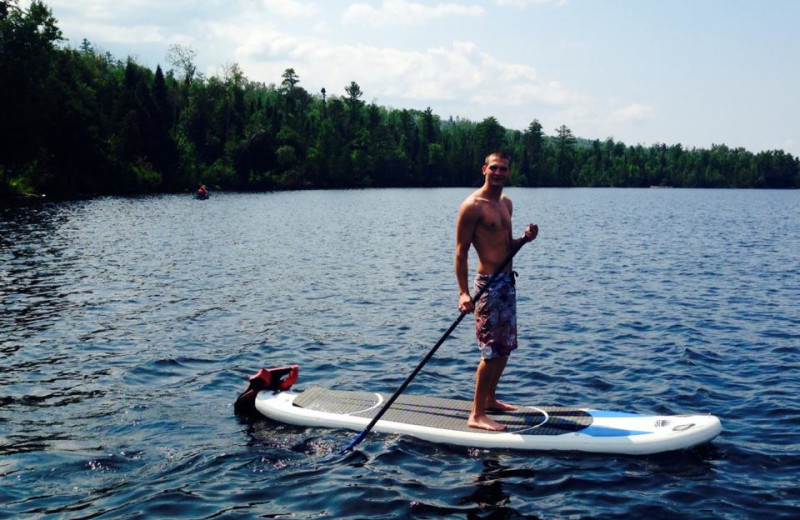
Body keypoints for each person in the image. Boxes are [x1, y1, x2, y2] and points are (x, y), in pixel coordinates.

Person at [455, 151, 538, 431]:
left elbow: (505, 248)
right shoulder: (472, 206)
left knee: (505, 348)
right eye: (494, 168)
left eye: (504, 169)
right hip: (487, 286)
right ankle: (476, 414)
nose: (499, 172)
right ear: (484, 170)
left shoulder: (505, 203)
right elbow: (460, 252)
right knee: (490, 352)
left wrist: (524, 239)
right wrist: (464, 293)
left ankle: (490, 399)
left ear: (509, 172)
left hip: (506, 284)